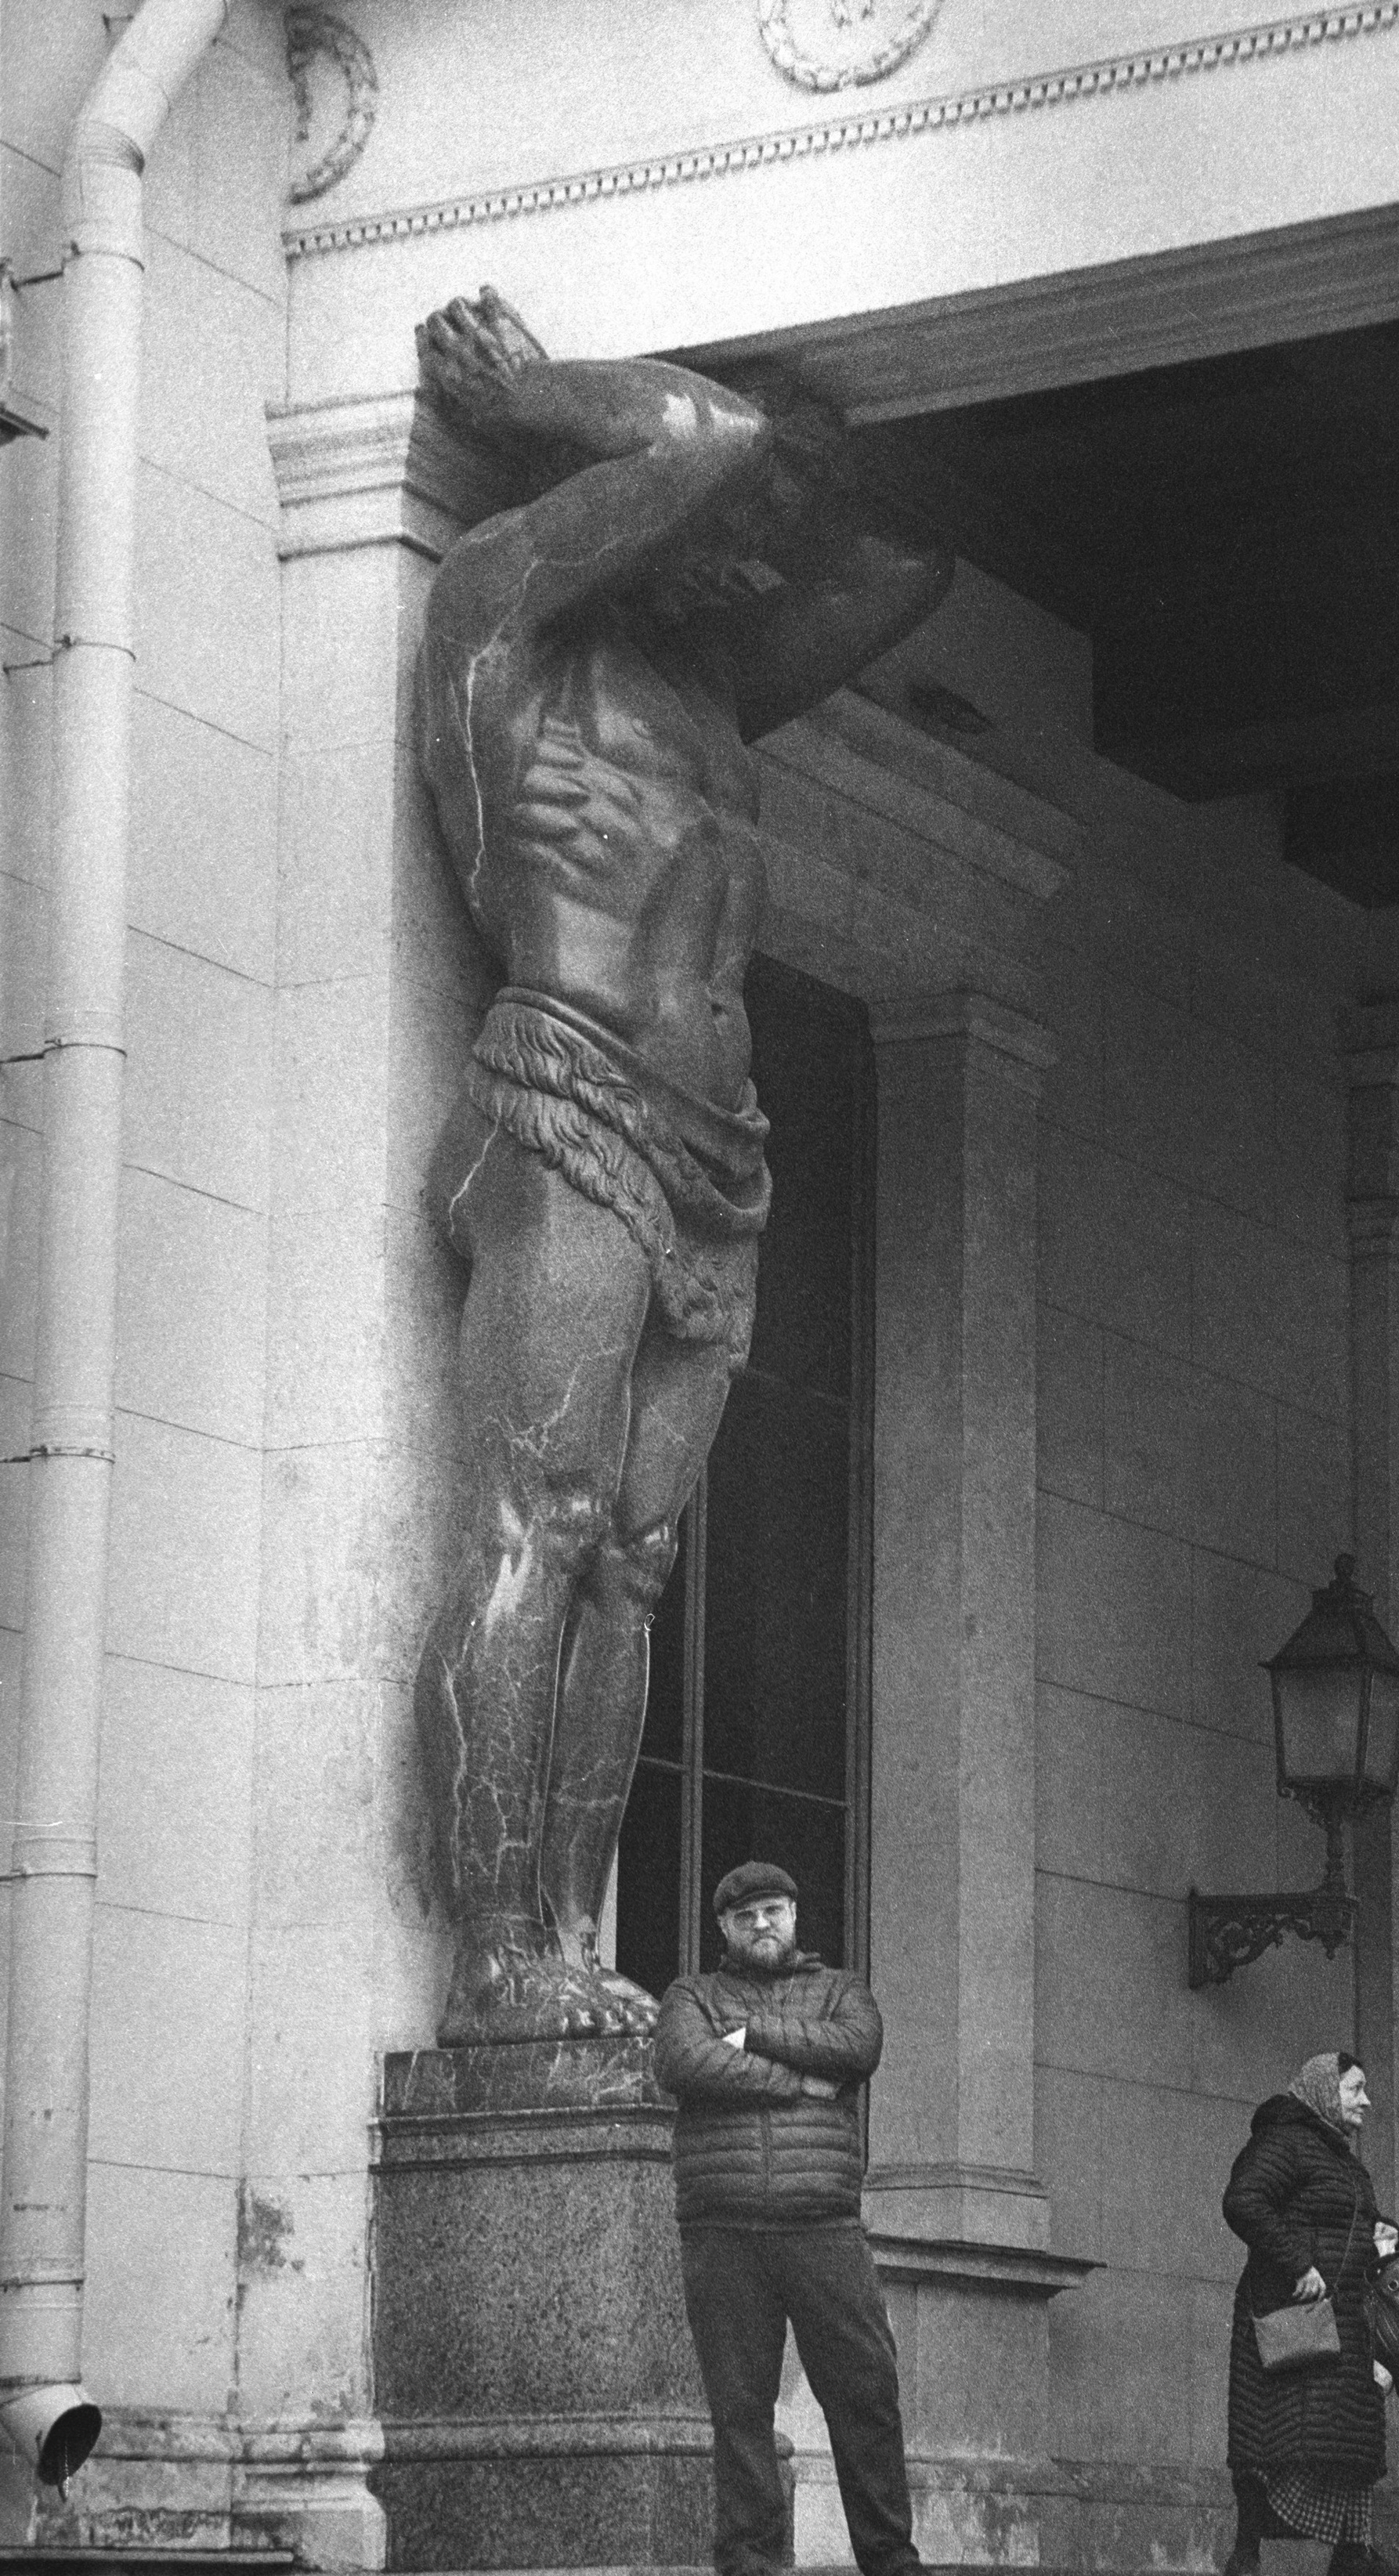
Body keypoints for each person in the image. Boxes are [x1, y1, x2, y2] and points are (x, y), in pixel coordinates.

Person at [414, 288, 953, 2039]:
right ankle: (497, 1956)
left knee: (634, 1560)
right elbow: (698, 442)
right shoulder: (502, 618)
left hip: (717, 1154)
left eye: (762, 543)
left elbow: (905, 572)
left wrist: (781, 488)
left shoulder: (714, 699)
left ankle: (574, 1944)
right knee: (539, 1522)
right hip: (566, 1096)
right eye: (732, 539)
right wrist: (548, 397)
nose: (753, 569)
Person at [649, 1860, 950, 2576]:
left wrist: (751, 2037)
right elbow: (686, 2061)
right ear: (723, 1928)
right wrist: (795, 2081)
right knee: (739, 2406)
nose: (761, 1925)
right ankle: (751, 2568)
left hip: (824, 2226)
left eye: (774, 1911)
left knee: (865, 2396)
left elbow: (857, 2049)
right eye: (745, 1916)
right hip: (722, 2229)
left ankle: (890, 2562)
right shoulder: (691, 1995)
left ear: (795, 1916)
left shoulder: (844, 1989)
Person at [1220, 2053, 1399, 2576]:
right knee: (1282, 2436)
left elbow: (1337, 2219)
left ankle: (1351, 2550)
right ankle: (1255, 2552)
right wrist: (1297, 2262)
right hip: (1295, 2313)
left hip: (1342, 2315)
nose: (1366, 2100)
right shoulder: (1285, 2140)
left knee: (1343, 2435)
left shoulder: (1337, 2153)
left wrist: (1380, 2236)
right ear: (1324, 2090)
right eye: (1355, 2089)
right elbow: (1244, 2201)